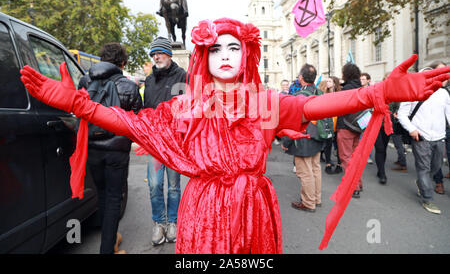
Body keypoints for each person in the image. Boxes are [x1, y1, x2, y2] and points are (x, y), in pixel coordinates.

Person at [20, 17, 450, 253]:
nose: (224, 56)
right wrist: (81, 105)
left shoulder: (265, 101)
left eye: (233, 48)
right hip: (203, 211)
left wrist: (377, 92)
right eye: (215, 50)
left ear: (246, 54)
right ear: (204, 59)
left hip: (254, 211)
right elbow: (135, 124)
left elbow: (317, 106)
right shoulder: (185, 105)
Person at [78, 43, 142, 254]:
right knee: (115, 198)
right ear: (122, 63)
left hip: (93, 149)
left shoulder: (85, 82)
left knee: (103, 195)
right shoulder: (130, 86)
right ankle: (107, 249)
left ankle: (112, 238)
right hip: (117, 151)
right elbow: (137, 121)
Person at [143, 37, 186, 245]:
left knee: (174, 186)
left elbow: (187, 109)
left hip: (174, 143)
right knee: (154, 184)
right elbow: (146, 109)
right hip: (154, 142)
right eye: (153, 54)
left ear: (169, 54)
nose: (156, 57)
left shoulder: (182, 76)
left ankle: (173, 223)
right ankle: (159, 222)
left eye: (159, 53)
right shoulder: (149, 80)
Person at [398, 62, 449, 214]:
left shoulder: (444, 93)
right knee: (423, 168)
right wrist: (412, 129)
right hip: (421, 136)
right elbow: (402, 114)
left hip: (439, 137)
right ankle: (428, 199)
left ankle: (422, 183)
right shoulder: (413, 91)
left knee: (436, 166)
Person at [282, 64, 325, 213]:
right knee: (315, 169)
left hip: (303, 137)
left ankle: (308, 202)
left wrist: (286, 142)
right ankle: (316, 198)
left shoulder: (299, 96)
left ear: (301, 77)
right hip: (318, 135)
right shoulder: (320, 92)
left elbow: (292, 121)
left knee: (305, 172)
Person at [337, 63, 364, 198]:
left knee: (345, 157)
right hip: (357, 127)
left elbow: (339, 107)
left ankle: (353, 187)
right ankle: (358, 182)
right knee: (355, 157)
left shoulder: (346, 89)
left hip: (345, 126)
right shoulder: (361, 88)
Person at [318, 78, 340, 174]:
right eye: (326, 81)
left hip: (338, 122)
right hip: (327, 122)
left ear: (334, 83)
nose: (327, 83)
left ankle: (339, 164)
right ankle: (328, 163)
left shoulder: (339, 94)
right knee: (328, 144)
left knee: (338, 144)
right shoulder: (323, 94)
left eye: (330, 81)